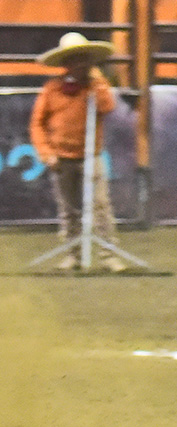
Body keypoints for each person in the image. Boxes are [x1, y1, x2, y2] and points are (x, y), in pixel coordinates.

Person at [29, 33, 125, 273]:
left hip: (91, 156)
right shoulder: (52, 90)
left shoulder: (95, 87)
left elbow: (108, 107)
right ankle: (74, 255)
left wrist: (99, 81)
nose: (79, 65)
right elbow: (37, 124)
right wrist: (46, 152)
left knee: (101, 206)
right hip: (61, 159)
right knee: (69, 209)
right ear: (66, 64)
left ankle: (108, 256)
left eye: (83, 59)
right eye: (73, 60)